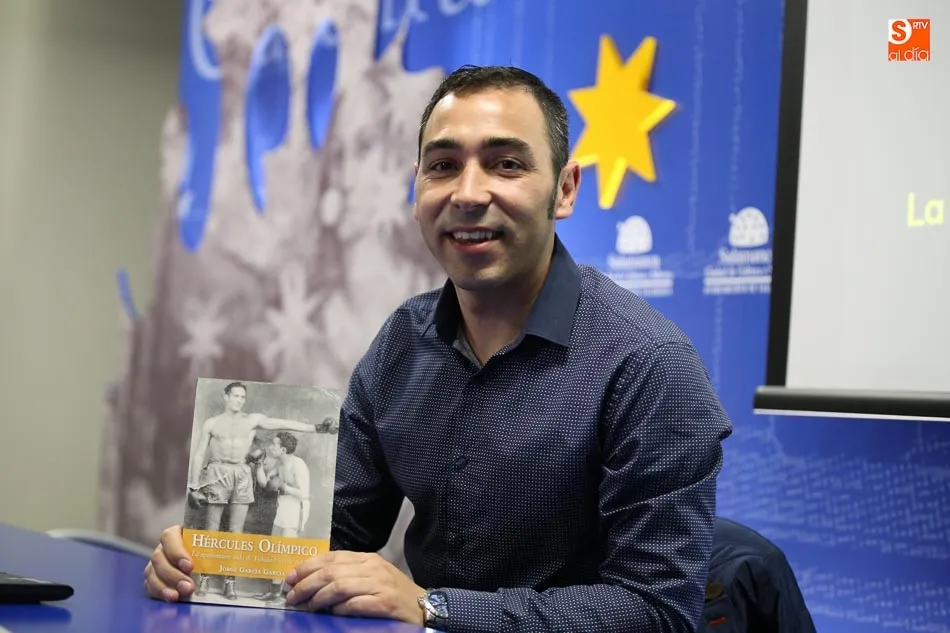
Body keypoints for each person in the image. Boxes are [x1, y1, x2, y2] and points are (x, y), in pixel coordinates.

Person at [144, 64, 733, 632]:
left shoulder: (649, 365)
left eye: (506, 164)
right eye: (443, 166)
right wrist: (214, 558)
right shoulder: (404, 342)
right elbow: (333, 530)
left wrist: (437, 609)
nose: (468, 193)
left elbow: (657, 610)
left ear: (565, 189)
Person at [185, 381, 325, 600]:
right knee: (211, 529)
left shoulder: (252, 420)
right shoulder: (211, 423)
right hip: (217, 472)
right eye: (235, 396)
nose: (239, 401)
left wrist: (316, 428)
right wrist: (194, 486)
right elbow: (198, 453)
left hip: (242, 473)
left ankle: (230, 582)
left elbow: (281, 422)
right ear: (226, 397)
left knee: (236, 532)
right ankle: (204, 578)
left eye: (243, 397)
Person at [253, 431, 313, 604]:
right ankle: (274, 592)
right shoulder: (279, 463)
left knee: (286, 551)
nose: (271, 446)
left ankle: (288, 594)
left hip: (297, 509)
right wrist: (258, 465)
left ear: (283, 450)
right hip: (283, 507)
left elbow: (305, 493)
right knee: (275, 549)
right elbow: (264, 483)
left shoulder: (298, 465)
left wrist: (285, 487)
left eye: (274, 444)